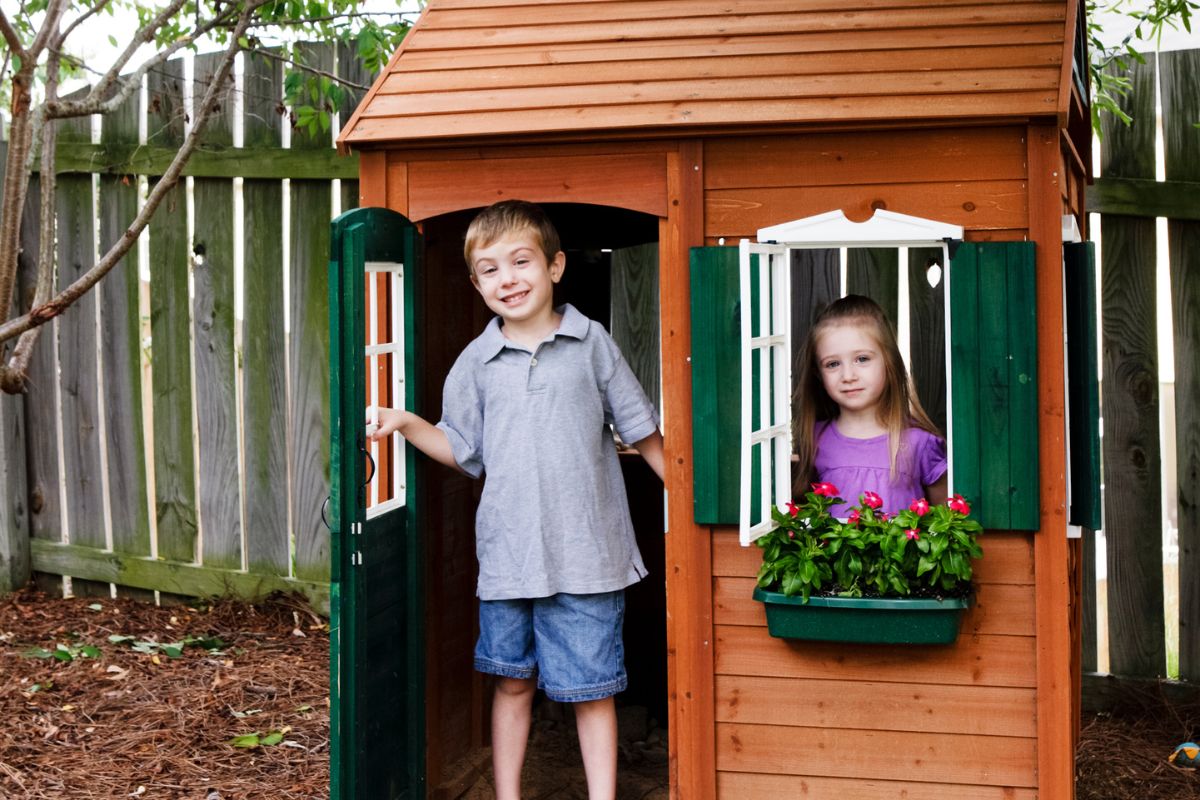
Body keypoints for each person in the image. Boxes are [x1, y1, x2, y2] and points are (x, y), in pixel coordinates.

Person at [368, 199, 664, 800]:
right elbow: (462, 449)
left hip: (590, 556)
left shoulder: (591, 342)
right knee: (511, 683)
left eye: (521, 261)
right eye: (491, 269)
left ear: (555, 267)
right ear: (475, 283)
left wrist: (685, 502)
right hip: (508, 562)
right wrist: (405, 422)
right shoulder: (475, 362)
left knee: (593, 689)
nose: (509, 278)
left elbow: (641, 430)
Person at [793, 294, 947, 517]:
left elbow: (946, 524)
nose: (848, 375)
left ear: (889, 360)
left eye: (862, 359)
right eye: (833, 364)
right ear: (818, 373)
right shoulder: (816, 438)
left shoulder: (918, 442)